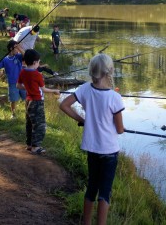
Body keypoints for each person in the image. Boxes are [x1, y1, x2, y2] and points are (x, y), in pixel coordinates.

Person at [60, 53, 125, 225]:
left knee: (91, 188)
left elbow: (64, 105)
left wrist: (82, 120)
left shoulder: (85, 89)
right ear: (109, 71)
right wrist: (121, 127)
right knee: (104, 192)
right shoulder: (115, 97)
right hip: (109, 152)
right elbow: (119, 129)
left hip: (92, 149)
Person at [16, 49, 60, 154]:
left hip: (28, 101)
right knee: (40, 125)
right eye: (39, 62)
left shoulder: (23, 71)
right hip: (37, 102)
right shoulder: (37, 75)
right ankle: (36, 147)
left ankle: (29, 145)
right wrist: (55, 91)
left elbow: (18, 85)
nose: (39, 64)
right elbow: (44, 89)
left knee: (30, 123)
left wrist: (28, 88)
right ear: (35, 62)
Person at [0, 40, 26, 119]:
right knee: (13, 99)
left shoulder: (18, 56)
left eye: (18, 48)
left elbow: (26, 55)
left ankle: (29, 113)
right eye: (16, 48)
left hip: (22, 82)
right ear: (11, 49)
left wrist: (19, 48)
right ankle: (13, 114)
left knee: (27, 98)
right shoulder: (5, 59)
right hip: (12, 82)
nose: (17, 49)